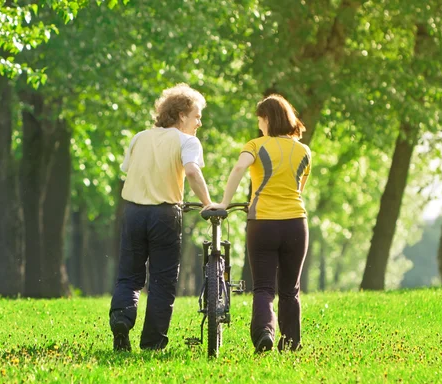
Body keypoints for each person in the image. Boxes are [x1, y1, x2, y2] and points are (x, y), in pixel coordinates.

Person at [109, 83, 213, 351]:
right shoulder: (187, 141)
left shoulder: (139, 137)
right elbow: (191, 172)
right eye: (196, 116)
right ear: (181, 115)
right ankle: (153, 342)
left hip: (132, 212)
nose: (199, 122)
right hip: (165, 214)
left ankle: (121, 318)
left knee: (129, 276)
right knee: (162, 281)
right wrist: (208, 203)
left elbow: (130, 171)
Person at [204, 94, 311, 353]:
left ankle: (264, 333)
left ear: (267, 119)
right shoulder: (304, 151)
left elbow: (239, 169)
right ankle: (291, 345)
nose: (259, 125)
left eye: (260, 120)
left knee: (263, 287)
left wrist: (225, 202)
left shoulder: (255, 145)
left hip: (262, 223)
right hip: (296, 223)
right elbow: (299, 188)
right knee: (290, 289)